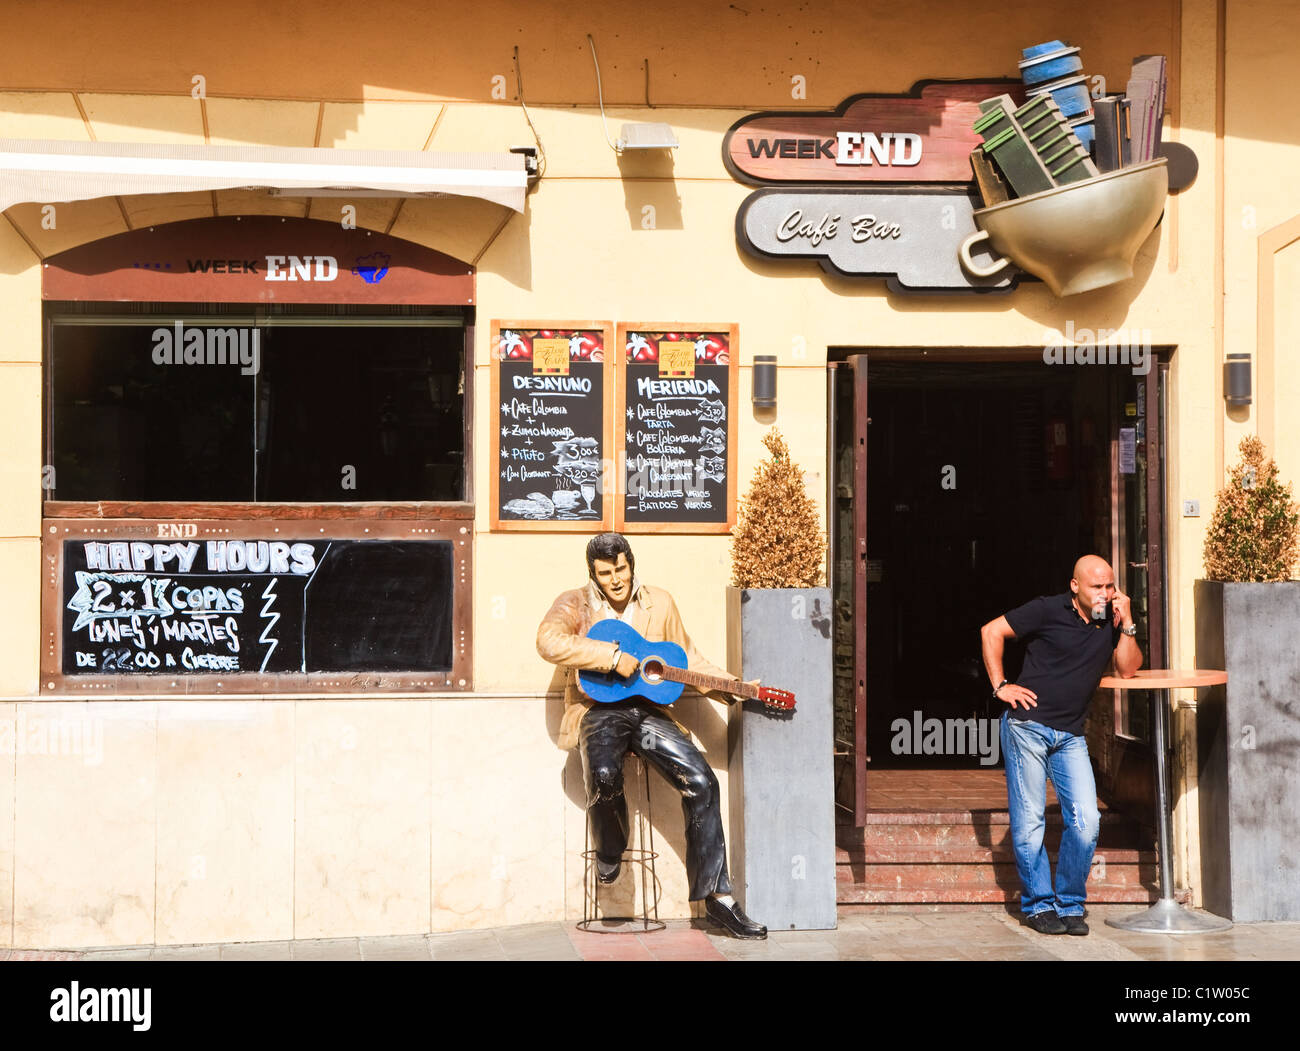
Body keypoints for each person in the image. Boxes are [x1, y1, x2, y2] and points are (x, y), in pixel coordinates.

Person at [536, 532, 767, 939]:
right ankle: (610, 850)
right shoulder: (575, 602)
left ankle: (718, 899)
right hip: (597, 711)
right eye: (605, 573)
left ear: (631, 563)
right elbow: (549, 640)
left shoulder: (659, 602)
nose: (615, 580)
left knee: (702, 781)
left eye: (621, 569)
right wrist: (611, 657)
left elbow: (688, 659)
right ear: (593, 573)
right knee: (605, 775)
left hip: (648, 713)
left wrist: (733, 686)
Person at [979, 555, 1143, 936]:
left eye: (1109, 586)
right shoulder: (1046, 609)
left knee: (1087, 823)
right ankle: (1038, 904)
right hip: (1028, 728)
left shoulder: (1111, 619)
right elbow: (991, 631)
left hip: (1070, 735)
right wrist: (1001, 685)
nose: (1104, 593)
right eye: (1096, 587)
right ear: (1075, 587)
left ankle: (1069, 903)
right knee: (1030, 823)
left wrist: (1129, 621)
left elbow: (1128, 668)